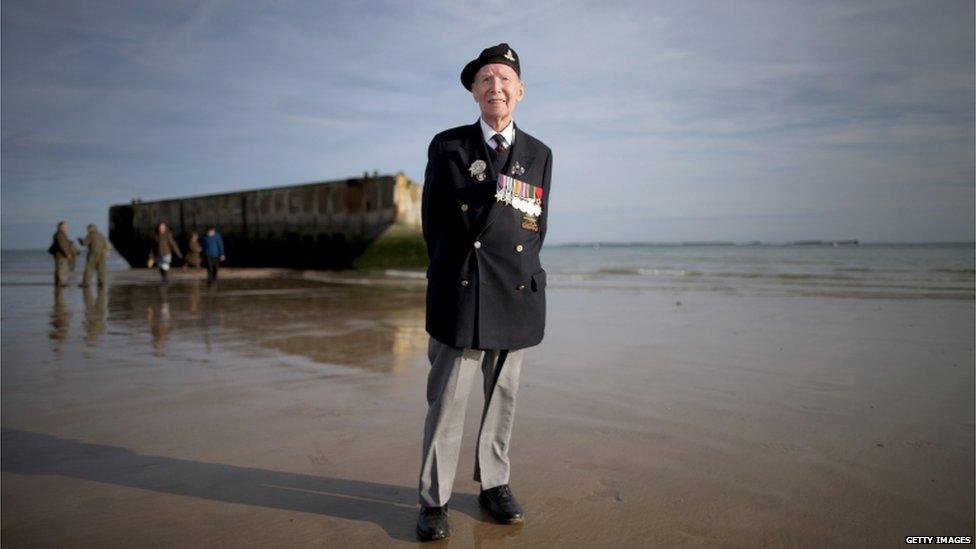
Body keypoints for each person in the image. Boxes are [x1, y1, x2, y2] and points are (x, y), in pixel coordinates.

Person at [416, 43, 553, 542]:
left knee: (503, 398)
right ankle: (434, 499)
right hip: (462, 287)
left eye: (504, 79)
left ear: (519, 91)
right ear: (473, 92)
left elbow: (536, 224)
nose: (495, 87)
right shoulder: (448, 146)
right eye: (485, 80)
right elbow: (433, 222)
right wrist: (450, 273)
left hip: (515, 290)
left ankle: (494, 485)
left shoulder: (540, 153)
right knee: (447, 399)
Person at [48, 221, 75, 287]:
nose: (67, 228)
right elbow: (62, 245)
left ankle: (59, 282)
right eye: (65, 227)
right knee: (61, 269)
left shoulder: (61, 234)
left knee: (61, 268)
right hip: (61, 255)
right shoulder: (59, 234)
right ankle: (61, 283)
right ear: (61, 227)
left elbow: (64, 244)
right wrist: (67, 254)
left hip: (61, 255)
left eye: (67, 227)